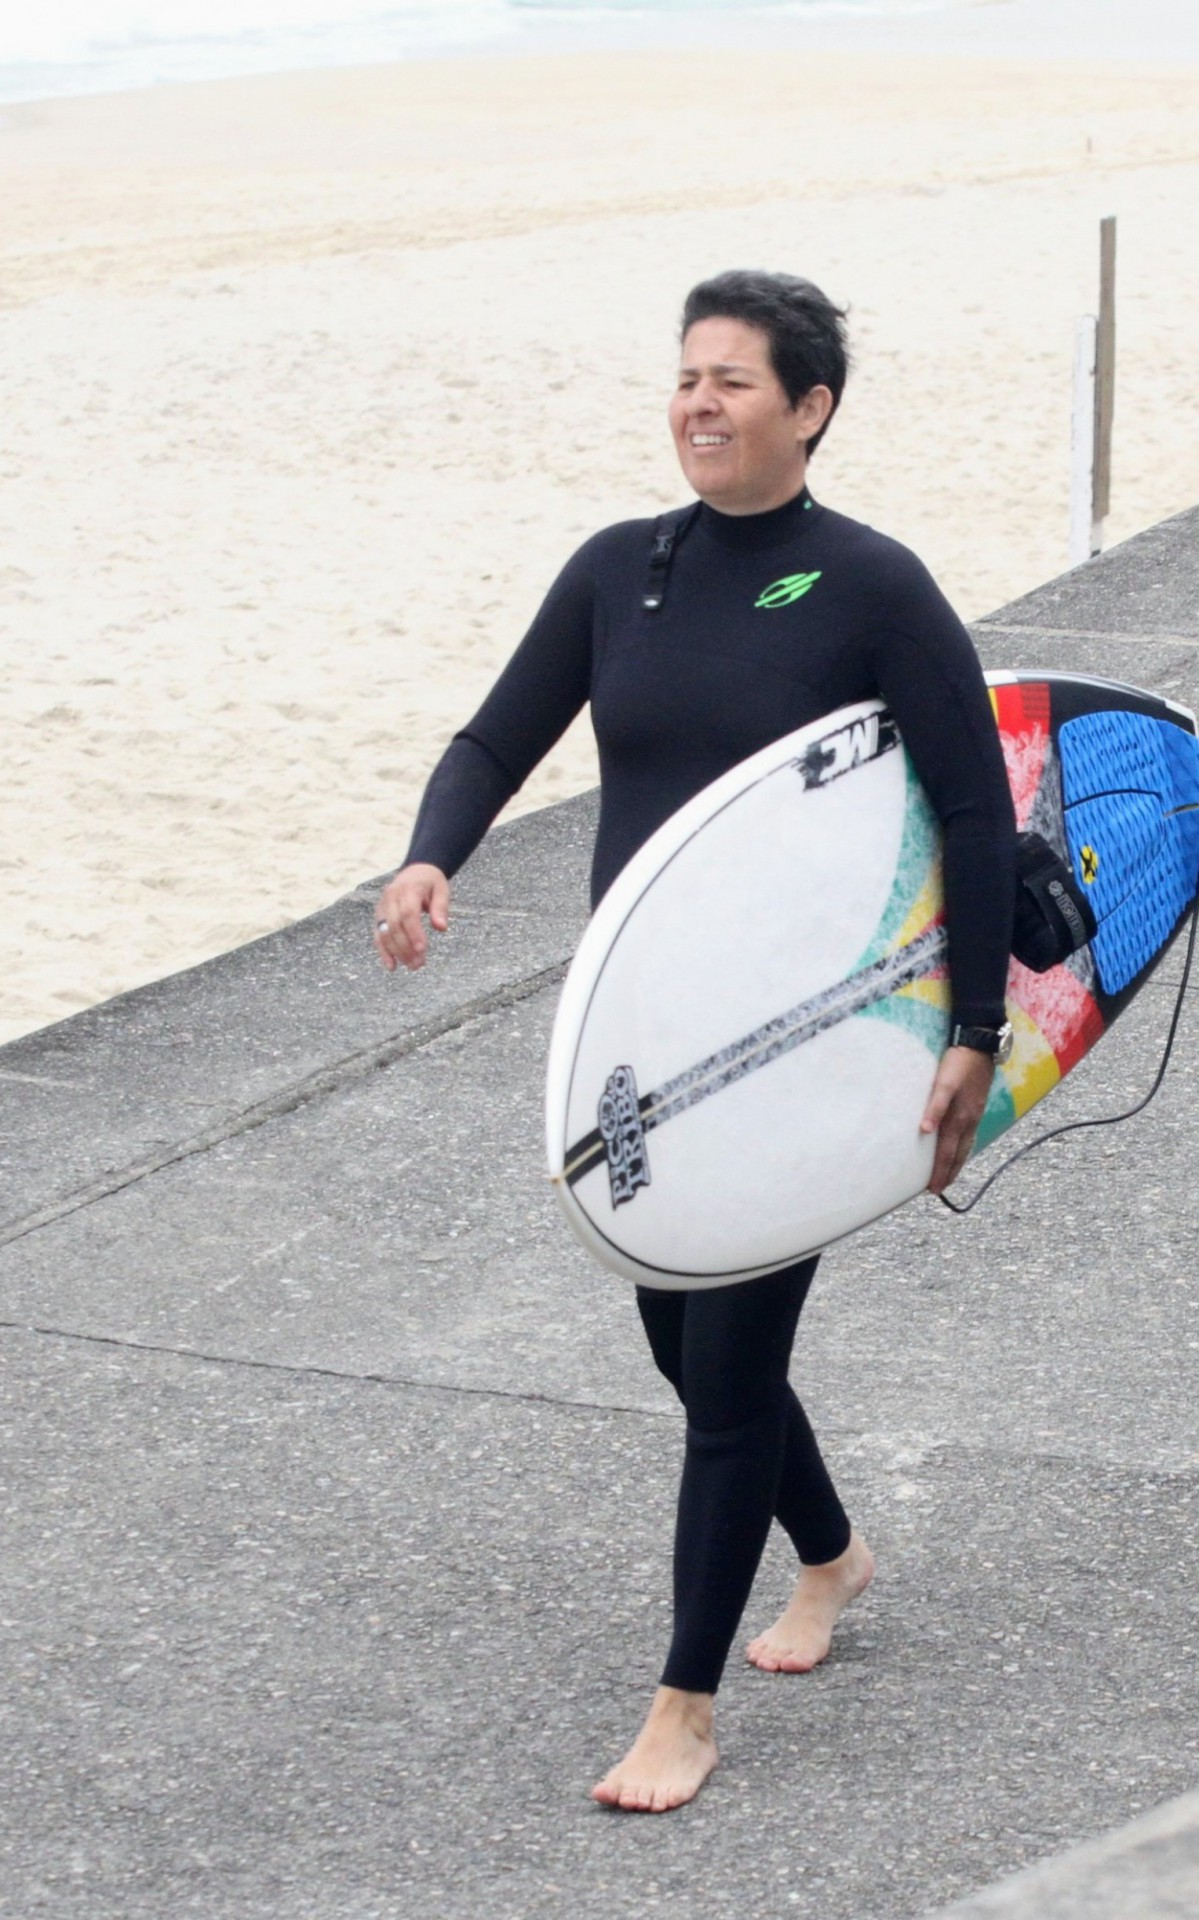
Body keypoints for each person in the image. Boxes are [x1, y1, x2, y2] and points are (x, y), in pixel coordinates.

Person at [374, 271, 1016, 1814]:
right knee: (678, 1335)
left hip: (806, 1043)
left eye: (734, 380)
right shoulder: (620, 571)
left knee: (729, 1364)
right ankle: (834, 1556)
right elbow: (496, 735)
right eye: (686, 377)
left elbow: (976, 807)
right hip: (649, 1038)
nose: (699, 404)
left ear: (811, 407)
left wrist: (976, 1030)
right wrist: (429, 853)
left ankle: (684, 1711)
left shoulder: (872, 586)